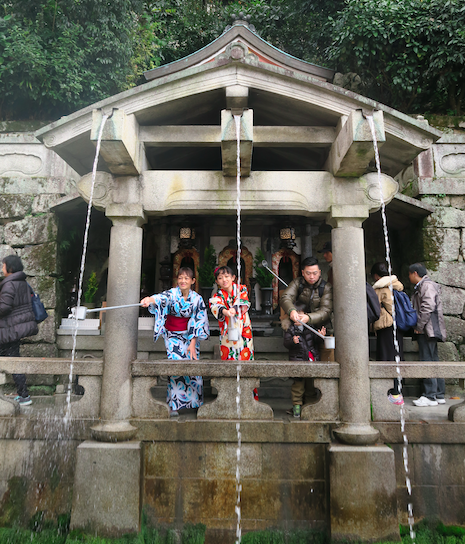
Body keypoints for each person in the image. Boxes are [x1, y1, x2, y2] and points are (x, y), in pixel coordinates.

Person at [140, 267, 209, 416]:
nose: (183, 281)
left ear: (193, 281)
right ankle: (174, 405)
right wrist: (149, 299)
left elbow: (199, 321)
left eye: (186, 278)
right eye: (180, 278)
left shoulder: (197, 299)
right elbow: (160, 298)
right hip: (172, 337)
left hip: (191, 337)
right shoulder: (172, 293)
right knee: (175, 367)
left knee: (192, 368)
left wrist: (192, 343)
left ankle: (195, 403)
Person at [280, 256, 333, 410]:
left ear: (319, 272)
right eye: (308, 273)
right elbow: (286, 297)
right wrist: (291, 311)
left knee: (323, 370)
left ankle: (321, 405)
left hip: (321, 332)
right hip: (301, 333)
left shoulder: (326, 287)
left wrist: (309, 317)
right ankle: (298, 405)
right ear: (303, 272)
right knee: (299, 375)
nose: (312, 277)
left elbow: (326, 310)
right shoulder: (297, 283)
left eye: (315, 273)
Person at [209, 266, 258, 400]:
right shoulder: (217, 295)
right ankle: (229, 397)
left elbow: (242, 302)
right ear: (217, 282)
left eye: (226, 276)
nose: (224, 280)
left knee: (246, 360)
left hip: (243, 332)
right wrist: (225, 312)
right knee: (228, 361)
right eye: (220, 278)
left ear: (233, 277)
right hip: (228, 334)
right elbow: (215, 305)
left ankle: (248, 397)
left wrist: (233, 310)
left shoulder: (241, 289)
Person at [0, 255, 38, 406]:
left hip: (8, 329)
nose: (2, 269)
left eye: (3, 266)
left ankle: (24, 395)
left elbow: (5, 307)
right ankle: (23, 395)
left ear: (10, 268)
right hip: (15, 329)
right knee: (14, 360)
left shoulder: (9, 284)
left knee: (13, 361)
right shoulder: (22, 282)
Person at [409, 262, 447, 407]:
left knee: (427, 361)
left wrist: (419, 326)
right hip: (431, 329)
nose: (409, 277)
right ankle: (438, 394)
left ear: (415, 273)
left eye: (409, 274)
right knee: (433, 360)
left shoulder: (426, 286)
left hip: (428, 329)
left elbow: (427, 306)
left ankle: (430, 395)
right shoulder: (426, 286)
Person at [371, 261, 405, 406]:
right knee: (397, 356)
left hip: (386, 327)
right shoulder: (396, 285)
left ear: (376, 276)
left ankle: (392, 392)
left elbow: (373, 307)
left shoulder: (380, 288)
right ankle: (398, 391)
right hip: (398, 327)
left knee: (386, 358)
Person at [283, 320, 326, 418]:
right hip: (297, 361)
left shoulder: (310, 328)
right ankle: (296, 407)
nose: (299, 319)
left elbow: (316, 341)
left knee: (311, 386)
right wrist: (292, 341)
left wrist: (320, 336)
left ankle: (309, 407)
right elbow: (286, 343)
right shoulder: (290, 329)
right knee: (298, 387)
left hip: (311, 360)